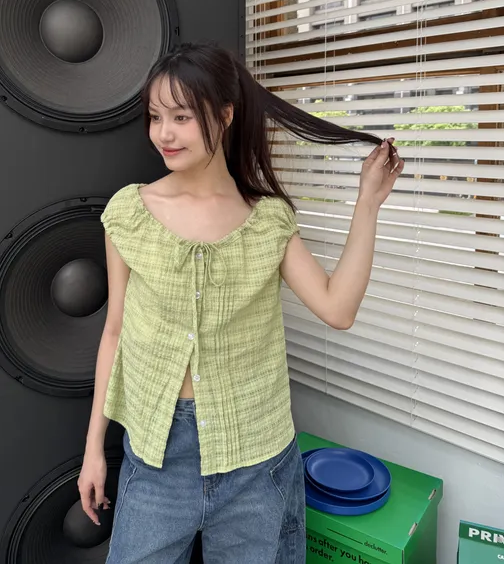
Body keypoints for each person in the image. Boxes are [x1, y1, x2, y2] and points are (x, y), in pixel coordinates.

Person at [77, 43, 404, 563]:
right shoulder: (129, 213)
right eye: (156, 117)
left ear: (225, 115)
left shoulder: (268, 220)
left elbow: (337, 309)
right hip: (157, 457)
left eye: (181, 117)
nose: (163, 134)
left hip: (257, 459)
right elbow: (114, 330)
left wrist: (367, 203)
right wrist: (94, 449)